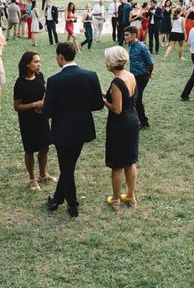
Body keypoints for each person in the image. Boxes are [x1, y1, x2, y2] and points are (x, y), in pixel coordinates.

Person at [43, 42, 104, 218]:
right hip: (82, 128)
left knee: (66, 167)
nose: (56, 59)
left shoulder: (54, 81)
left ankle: (73, 204)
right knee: (68, 166)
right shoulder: (90, 75)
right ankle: (56, 200)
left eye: (56, 56)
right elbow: (98, 104)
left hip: (62, 129)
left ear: (61, 56)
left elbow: (48, 111)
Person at [101, 46, 139, 208]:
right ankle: (131, 196)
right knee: (130, 161)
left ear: (111, 62)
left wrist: (102, 100)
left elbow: (117, 109)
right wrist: (104, 94)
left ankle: (116, 199)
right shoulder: (130, 75)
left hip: (120, 124)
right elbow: (125, 98)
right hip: (133, 120)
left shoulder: (117, 82)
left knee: (117, 163)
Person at [14, 52, 56, 191]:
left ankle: (43, 174)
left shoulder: (40, 76)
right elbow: (17, 106)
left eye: (39, 61)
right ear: (27, 64)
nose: (39, 64)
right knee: (30, 149)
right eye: (36, 62)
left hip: (41, 117)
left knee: (45, 146)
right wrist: (34, 105)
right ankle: (32, 178)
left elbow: (44, 93)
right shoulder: (20, 83)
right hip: (28, 120)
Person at [124, 26, 154, 129]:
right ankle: (139, 121)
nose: (125, 37)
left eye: (127, 35)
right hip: (134, 76)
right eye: (125, 35)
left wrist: (150, 73)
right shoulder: (131, 45)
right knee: (134, 98)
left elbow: (150, 62)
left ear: (134, 35)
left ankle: (144, 123)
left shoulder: (142, 46)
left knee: (137, 99)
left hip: (142, 76)